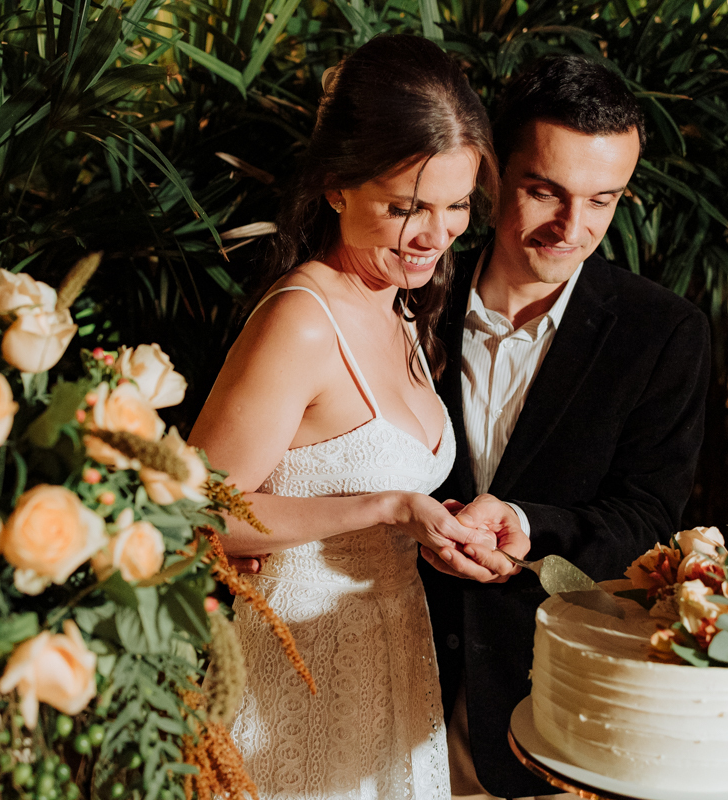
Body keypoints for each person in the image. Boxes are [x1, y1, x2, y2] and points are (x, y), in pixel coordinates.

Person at [188, 35, 500, 799]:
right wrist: (389, 505)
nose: (437, 234)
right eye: (406, 208)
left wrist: (439, 522)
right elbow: (192, 508)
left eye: (456, 204)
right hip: (294, 677)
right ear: (335, 186)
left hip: (393, 664)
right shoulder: (302, 320)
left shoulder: (400, 306)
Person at [416, 56, 712, 800]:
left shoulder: (664, 334)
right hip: (390, 670)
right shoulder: (404, 298)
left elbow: (646, 518)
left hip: (550, 706)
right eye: (544, 191)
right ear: (492, 176)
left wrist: (522, 522)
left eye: (603, 200)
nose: (571, 229)